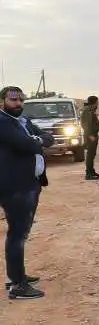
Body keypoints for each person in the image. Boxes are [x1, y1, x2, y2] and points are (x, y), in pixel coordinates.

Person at [0, 86, 52, 300]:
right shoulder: (3, 122)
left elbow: (46, 137)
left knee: (19, 232)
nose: (18, 104)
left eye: (21, 100)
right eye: (13, 100)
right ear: (2, 101)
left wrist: (37, 140)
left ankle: (16, 276)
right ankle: (18, 286)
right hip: (15, 186)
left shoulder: (22, 121)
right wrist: (37, 141)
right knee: (18, 234)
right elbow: (25, 144)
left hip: (28, 184)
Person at [80, 96, 99, 180]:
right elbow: (86, 124)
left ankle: (91, 171)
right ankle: (88, 174)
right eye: (97, 102)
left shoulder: (90, 110)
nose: (97, 104)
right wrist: (90, 135)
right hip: (90, 136)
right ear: (94, 102)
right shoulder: (88, 110)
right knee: (90, 155)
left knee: (92, 155)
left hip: (92, 135)